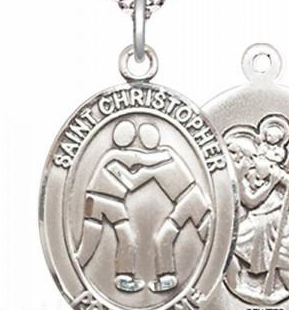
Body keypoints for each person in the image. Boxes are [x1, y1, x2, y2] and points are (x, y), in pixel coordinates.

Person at [106, 123, 212, 293]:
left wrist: (116, 168)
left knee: (205, 238)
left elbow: (132, 182)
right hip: (186, 202)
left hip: (191, 200)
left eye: (141, 141)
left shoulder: (162, 160)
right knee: (165, 238)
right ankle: (167, 278)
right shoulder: (166, 156)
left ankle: (169, 277)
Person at [224, 115, 289, 303]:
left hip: (269, 218)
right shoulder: (251, 166)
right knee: (239, 246)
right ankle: (239, 284)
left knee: (266, 254)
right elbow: (248, 198)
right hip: (258, 217)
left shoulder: (273, 169)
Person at [76, 119, 171, 293]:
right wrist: (164, 156)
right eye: (133, 137)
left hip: (108, 202)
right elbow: (140, 162)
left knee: (121, 238)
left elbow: (137, 163)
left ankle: (121, 277)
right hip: (101, 201)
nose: (136, 140)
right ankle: (81, 266)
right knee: (101, 239)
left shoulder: (116, 157)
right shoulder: (113, 156)